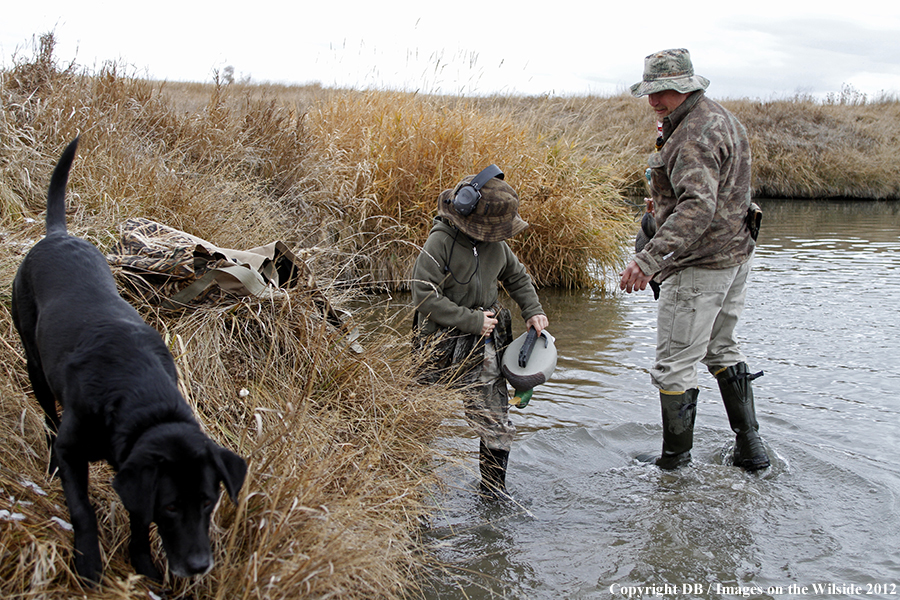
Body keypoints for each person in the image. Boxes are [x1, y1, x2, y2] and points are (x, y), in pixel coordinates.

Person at [620, 48, 770, 471]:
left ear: (685, 87)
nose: (653, 101)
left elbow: (697, 209)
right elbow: (715, 193)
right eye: (649, 93)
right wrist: (664, 200)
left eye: (662, 92)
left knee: (673, 366)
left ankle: (674, 464)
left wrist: (646, 261)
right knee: (722, 348)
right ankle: (751, 448)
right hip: (735, 254)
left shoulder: (692, 136)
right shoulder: (720, 118)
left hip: (699, 266)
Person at [412, 166, 549, 498]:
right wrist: (471, 320)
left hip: (485, 344)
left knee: (494, 421)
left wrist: (533, 311)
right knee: (420, 420)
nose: (498, 234)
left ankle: (493, 493)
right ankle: (414, 494)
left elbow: (517, 277)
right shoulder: (440, 241)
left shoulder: (496, 246)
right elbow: (423, 295)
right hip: (438, 343)